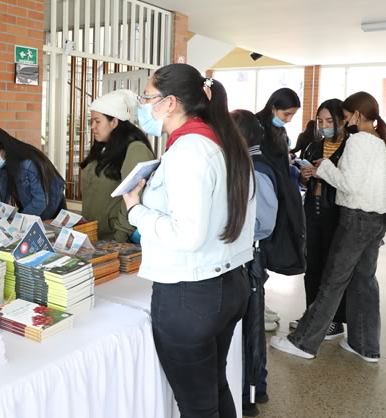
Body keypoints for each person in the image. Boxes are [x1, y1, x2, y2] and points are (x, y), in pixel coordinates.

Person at [123, 63, 255, 417]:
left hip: (190, 293)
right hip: (230, 284)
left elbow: (188, 234)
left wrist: (136, 210)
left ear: (170, 103)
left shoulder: (189, 151)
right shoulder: (224, 143)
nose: (143, 105)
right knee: (214, 386)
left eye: (147, 97)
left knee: (197, 405)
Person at [271, 91, 386, 363]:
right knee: (364, 281)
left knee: (332, 281)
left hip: (355, 218)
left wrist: (324, 168)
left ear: (357, 115)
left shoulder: (358, 142)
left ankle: (303, 343)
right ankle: (365, 345)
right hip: (378, 219)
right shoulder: (385, 142)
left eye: (346, 115)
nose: (343, 120)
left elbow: (349, 185)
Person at [232, 109, 278, 417]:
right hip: (247, 255)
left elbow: (264, 222)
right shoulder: (247, 164)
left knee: (252, 326)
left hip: (251, 257)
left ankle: (253, 390)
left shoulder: (256, 169)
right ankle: (252, 385)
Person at [292, 99, 351, 337]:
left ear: (342, 120)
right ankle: (312, 313)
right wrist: (304, 176)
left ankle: (335, 320)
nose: (324, 125)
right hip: (313, 209)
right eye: (321, 121)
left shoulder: (350, 147)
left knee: (333, 268)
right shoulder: (314, 146)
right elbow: (302, 179)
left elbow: (348, 183)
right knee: (312, 265)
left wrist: (324, 172)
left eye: (329, 121)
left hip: (336, 212)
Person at [254, 87, 302, 330]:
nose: (288, 119)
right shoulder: (255, 127)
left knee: (267, 251)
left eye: (292, 115)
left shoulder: (279, 130)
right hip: (262, 197)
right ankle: (255, 305)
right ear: (273, 107)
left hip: (277, 196)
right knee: (258, 252)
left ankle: (259, 301)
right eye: (286, 113)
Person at [80, 90, 155, 242]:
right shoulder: (102, 147)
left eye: (97, 121)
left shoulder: (135, 150)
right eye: (91, 121)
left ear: (114, 122)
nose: (93, 127)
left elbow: (133, 196)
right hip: (94, 236)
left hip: (115, 240)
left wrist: (120, 239)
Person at [0, 126, 66, 220]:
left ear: (3, 147)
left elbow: (40, 201)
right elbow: (4, 196)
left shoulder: (28, 164)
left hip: (51, 212)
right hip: (31, 209)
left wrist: (18, 221)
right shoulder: (4, 165)